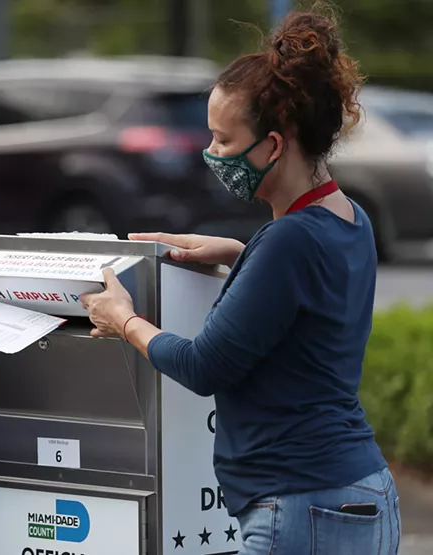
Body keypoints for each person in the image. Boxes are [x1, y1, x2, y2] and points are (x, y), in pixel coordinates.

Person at [81, 6, 401, 555]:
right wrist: (240, 252)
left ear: (274, 145)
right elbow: (312, 294)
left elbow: (205, 365)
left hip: (303, 504)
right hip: (357, 491)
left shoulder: (287, 242)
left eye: (224, 141)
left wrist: (124, 320)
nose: (212, 153)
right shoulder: (349, 217)